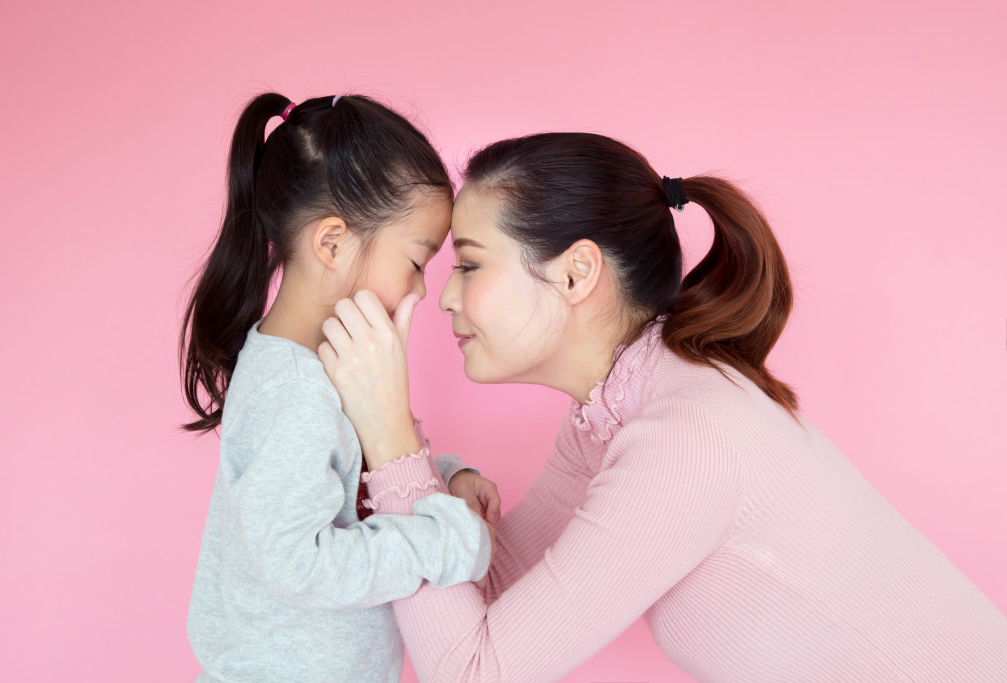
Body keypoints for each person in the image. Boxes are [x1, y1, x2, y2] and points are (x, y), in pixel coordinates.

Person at [319, 132, 1007, 681]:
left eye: (469, 264)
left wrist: (392, 441)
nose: (444, 297)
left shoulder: (685, 437)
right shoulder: (618, 412)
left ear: (575, 272)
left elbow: (474, 668)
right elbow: (495, 590)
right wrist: (418, 483)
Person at [179, 93, 500, 683]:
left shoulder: (321, 364)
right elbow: (298, 564)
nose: (423, 293)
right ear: (331, 244)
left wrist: (447, 477)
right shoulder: (294, 392)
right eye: (416, 261)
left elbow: (349, 479)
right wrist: (438, 541)